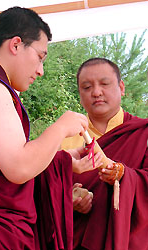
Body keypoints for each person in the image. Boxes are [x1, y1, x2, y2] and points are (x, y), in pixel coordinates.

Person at [0, 8, 103, 250]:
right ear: (16, 44)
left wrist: (60, 160)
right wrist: (60, 127)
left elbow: (3, 160)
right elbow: (18, 167)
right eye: (41, 56)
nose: (41, 70)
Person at [61, 58, 148, 250]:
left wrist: (124, 175)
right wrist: (69, 198)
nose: (96, 92)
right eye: (86, 87)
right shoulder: (63, 136)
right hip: (77, 240)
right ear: (80, 93)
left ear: (121, 87)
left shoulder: (144, 133)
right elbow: (44, 190)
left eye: (105, 84)